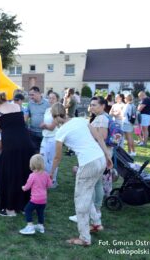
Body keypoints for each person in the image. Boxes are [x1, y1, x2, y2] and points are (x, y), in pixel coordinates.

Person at [50, 103, 112, 246]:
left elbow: (57, 158)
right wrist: (107, 156)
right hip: (100, 159)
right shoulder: (80, 120)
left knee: (80, 201)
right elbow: (99, 137)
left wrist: (51, 173)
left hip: (88, 164)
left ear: (55, 117)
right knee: (87, 193)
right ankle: (96, 223)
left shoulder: (60, 132)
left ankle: (84, 238)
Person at [0, 92, 35, 217]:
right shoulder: (16, 106)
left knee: (8, 174)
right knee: (25, 172)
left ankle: (9, 208)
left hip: (10, 145)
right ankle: (25, 205)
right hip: (26, 142)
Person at [19, 154, 53, 235]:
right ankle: (40, 226)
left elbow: (27, 187)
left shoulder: (32, 175)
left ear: (32, 165)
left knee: (27, 210)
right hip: (43, 200)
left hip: (35, 199)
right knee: (40, 212)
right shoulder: (46, 174)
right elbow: (49, 185)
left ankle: (30, 226)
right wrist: (49, 179)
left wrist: (23, 187)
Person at [39, 92, 59, 187]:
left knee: (51, 160)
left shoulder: (58, 111)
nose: (51, 100)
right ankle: (46, 179)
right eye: (49, 98)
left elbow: (52, 127)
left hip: (53, 138)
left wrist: (44, 126)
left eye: (53, 98)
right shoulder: (48, 110)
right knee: (43, 158)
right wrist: (44, 125)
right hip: (45, 137)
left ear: (57, 99)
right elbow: (42, 123)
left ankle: (53, 181)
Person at [26, 86, 49, 152]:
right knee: (34, 151)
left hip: (44, 132)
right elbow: (28, 116)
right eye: (29, 95)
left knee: (44, 151)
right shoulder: (30, 103)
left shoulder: (47, 103)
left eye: (32, 95)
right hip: (32, 132)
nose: (31, 97)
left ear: (39, 93)